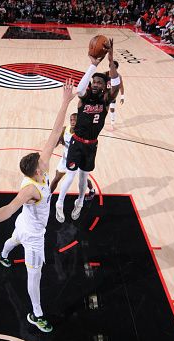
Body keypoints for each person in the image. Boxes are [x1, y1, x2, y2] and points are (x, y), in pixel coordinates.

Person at [0, 80, 77, 333]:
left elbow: (55, 133)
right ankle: (37, 314)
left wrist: (65, 101)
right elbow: (9, 208)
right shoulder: (30, 188)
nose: (45, 156)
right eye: (40, 160)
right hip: (34, 235)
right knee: (34, 277)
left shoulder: (40, 168)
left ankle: (1, 256)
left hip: (23, 224)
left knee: (13, 238)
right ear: (37, 170)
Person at [54, 40, 119, 223]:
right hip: (77, 142)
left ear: (104, 86)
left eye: (99, 82)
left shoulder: (106, 99)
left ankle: (80, 202)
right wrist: (93, 66)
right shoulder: (85, 97)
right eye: (94, 81)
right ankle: (59, 204)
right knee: (70, 174)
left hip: (92, 145)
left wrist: (111, 57)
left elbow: (115, 84)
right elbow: (80, 88)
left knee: (83, 179)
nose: (96, 84)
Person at [49, 112, 95, 200]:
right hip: (65, 159)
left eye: (75, 120)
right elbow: (56, 143)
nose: (72, 122)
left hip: (76, 161)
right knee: (56, 178)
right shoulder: (64, 129)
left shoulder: (82, 133)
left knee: (84, 179)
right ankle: (49, 196)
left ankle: (92, 190)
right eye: (71, 120)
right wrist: (55, 141)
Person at [105, 60, 125, 127]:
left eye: (115, 67)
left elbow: (121, 86)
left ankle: (112, 121)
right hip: (105, 94)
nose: (113, 69)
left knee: (112, 109)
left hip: (112, 95)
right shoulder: (105, 74)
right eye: (112, 67)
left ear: (116, 68)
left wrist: (122, 97)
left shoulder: (118, 76)